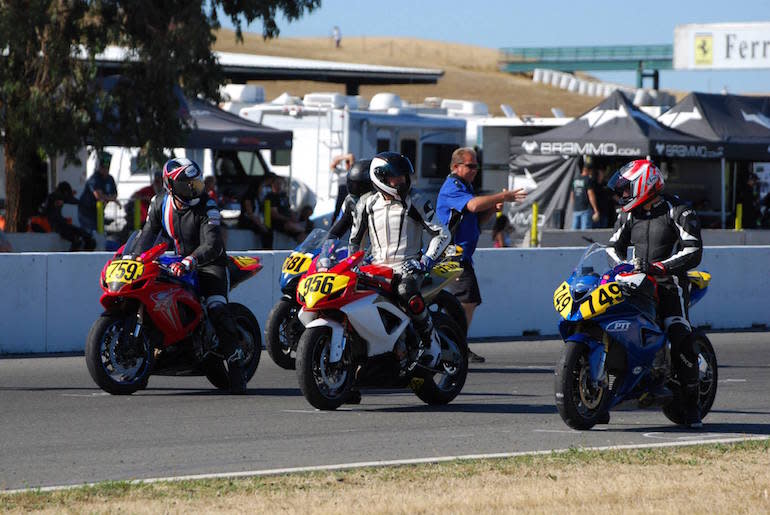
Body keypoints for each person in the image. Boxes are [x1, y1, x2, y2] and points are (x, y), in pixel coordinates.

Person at [134, 158, 248, 393]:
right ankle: (145, 361)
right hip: (175, 262)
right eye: (188, 184)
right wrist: (133, 258)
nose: (194, 188)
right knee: (147, 295)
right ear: (171, 186)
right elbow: (146, 236)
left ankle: (236, 365)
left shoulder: (208, 206)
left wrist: (192, 260)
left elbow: (213, 242)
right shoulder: (159, 204)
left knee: (216, 307)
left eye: (196, 183)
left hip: (209, 263)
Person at [607, 159, 704, 428]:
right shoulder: (627, 215)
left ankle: (692, 403)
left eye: (626, 189)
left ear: (644, 186)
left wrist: (660, 266)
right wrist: (622, 267)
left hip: (670, 283)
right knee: (614, 324)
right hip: (635, 283)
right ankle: (605, 394)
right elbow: (612, 247)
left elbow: (693, 249)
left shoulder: (679, 211)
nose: (622, 195)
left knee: (678, 332)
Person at [349, 152, 451, 368]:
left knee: (407, 293)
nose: (402, 181)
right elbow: (354, 241)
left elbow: (442, 233)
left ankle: (431, 344)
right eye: (396, 177)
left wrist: (424, 261)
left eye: (404, 176)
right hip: (375, 269)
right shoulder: (366, 204)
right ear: (381, 178)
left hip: (409, 266)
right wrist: (352, 267)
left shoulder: (416, 200)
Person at [436, 147, 527, 363]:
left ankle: (455, 344)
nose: (475, 170)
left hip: (461, 255)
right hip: (452, 255)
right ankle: (451, 344)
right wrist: (503, 195)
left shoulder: (465, 186)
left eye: (477, 166)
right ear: (456, 167)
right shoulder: (453, 186)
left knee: (467, 301)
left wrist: (494, 209)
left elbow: (475, 219)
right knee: (467, 300)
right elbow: (474, 205)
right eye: (471, 166)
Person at [43, 181, 96, 251]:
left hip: (62, 224)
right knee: (76, 239)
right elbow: (69, 200)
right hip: (55, 225)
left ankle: (85, 254)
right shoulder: (54, 197)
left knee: (86, 236)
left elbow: (72, 200)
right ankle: (71, 257)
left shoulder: (58, 196)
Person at [329, 159, 373, 239]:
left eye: (359, 185)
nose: (355, 188)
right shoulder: (350, 201)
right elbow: (340, 226)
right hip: (357, 247)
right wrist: (326, 244)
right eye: (352, 184)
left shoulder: (378, 203)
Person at [78, 151, 118, 234]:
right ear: (99, 167)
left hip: (99, 211)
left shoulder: (110, 179)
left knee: (100, 232)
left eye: (107, 168)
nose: (105, 170)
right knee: (90, 233)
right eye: (103, 168)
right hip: (87, 211)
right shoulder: (95, 178)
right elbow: (98, 195)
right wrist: (110, 198)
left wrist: (108, 198)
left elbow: (114, 194)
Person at [264, 176, 306, 242]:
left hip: (289, 220)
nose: (279, 185)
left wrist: (294, 216)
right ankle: (304, 231)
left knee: (301, 232)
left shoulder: (284, 196)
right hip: (278, 222)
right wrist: (288, 219)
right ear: (273, 184)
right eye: (277, 183)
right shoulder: (270, 197)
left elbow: (289, 209)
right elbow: (273, 214)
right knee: (295, 227)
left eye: (281, 183)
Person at [571, 160, 599, 229]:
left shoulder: (575, 179)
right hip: (585, 210)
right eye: (591, 171)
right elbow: (591, 195)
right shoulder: (588, 180)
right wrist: (595, 209)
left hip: (576, 209)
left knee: (573, 231)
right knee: (585, 232)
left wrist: (574, 206)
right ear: (588, 170)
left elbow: (572, 195)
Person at [331, 153, 355, 221]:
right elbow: (332, 165)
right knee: (337, 209)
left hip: (348, 193)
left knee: (349, 210)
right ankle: (332, 224)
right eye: (346, 162)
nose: (347, 164)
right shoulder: (340, 171)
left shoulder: (352, 171)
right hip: (341, 192)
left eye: (348, 162)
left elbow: (351, 156)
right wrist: (341, 158)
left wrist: (344, 158)